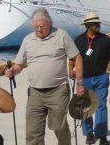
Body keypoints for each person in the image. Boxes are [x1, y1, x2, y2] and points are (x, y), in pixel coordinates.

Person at [5, 8, 85, 145]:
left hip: (58, 90)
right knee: (32, 133)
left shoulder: (61, 35)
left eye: (42, 26)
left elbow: (77, 58)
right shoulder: (28, 40)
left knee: (58, 126)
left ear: (50, 23)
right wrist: (12, 70)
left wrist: (79, 83)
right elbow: (19, 65)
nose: (39, 30)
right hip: (35, 93)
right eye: (36, 27)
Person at [70, 12, 110, 144]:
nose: (98, 25)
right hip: (84, 79)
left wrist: (107, 73)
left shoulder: (105, 39)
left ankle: (102, 135)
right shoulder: (78, 40)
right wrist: (70, 70)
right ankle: (89, 133)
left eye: (98, 23)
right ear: (87, 25)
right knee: (85, 106)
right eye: (95, 23)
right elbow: (72, 59)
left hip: (101, 78)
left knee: (101, 106)